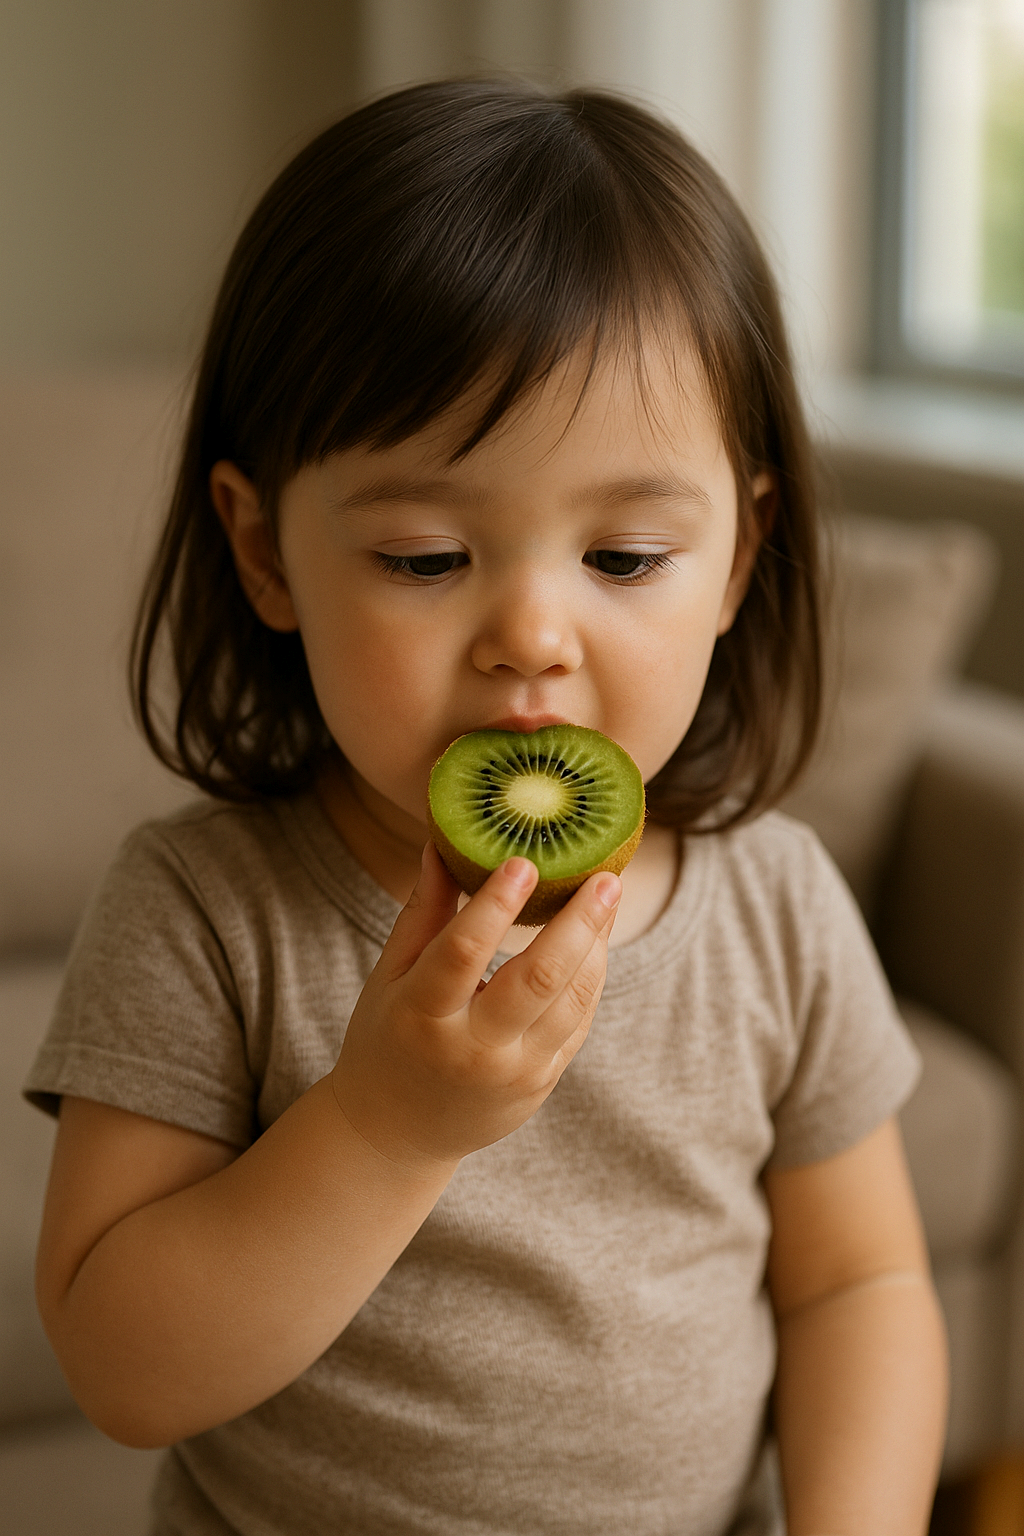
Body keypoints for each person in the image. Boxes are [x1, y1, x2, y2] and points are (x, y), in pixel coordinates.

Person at [25, 78, 948, 1535]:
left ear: (742, 556)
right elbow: (128, 1370)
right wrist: (388, 1126)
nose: (532, 633)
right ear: (266, 556)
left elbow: (860, 1283)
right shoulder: (206, 910)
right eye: (423, 557)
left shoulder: (773, 906)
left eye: (628, 556)